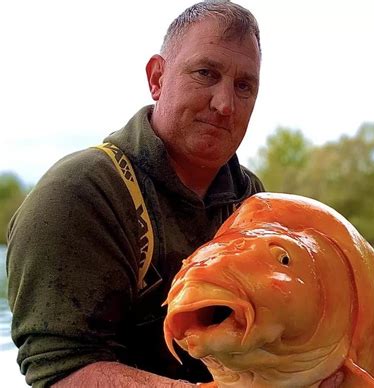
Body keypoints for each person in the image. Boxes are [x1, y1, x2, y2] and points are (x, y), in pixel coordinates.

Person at [7, 1, 343, 387]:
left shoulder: (252, 199)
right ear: (157, 78)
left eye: (244, 86)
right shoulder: (78, 194)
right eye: (206, 73)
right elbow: (61, 369)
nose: (224, 104)